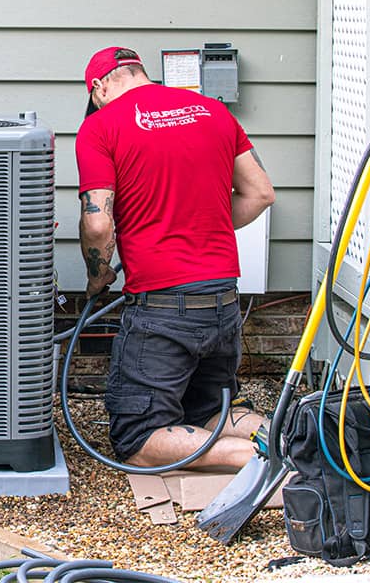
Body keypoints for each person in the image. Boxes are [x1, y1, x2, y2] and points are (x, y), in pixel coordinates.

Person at [75, 46, 275, 471]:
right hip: (222, 298)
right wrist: (204, 226)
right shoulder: (213, 112)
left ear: (98, 88)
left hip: (162, 307)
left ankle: (255, 458)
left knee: (136, 437)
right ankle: (288, 439)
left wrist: (98, 275)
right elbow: (260, 194)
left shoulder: (100, 127)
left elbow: (97, 224)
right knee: (208, 411)